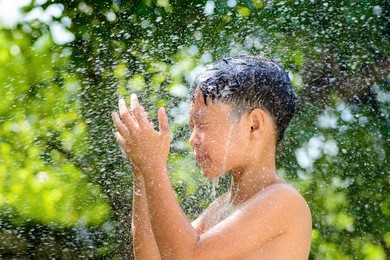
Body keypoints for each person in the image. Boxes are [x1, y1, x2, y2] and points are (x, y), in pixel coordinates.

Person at [112, 55, 312, 259]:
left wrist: (153, 166)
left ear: (254, 126)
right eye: (192, 127)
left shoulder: (283, 201)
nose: (192, 139)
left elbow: (187, 257)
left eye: (202, 125)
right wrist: (142, 171)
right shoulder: (220, 208)